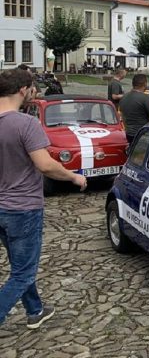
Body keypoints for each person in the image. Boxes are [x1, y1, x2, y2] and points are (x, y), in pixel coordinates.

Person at [0, 69, 87, 331]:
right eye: (33, 89)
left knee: (19, 263)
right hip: (23, 208)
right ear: (24, 90)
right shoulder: (26, 124)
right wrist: (74, 177)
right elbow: (45, 165)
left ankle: (35, 310)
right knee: (23, 272)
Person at [120, 74, 149, 143]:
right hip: (142, 134)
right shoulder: (145, 98)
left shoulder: (124, 97)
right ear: (145, 84)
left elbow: (122, 115)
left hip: (129, 133)